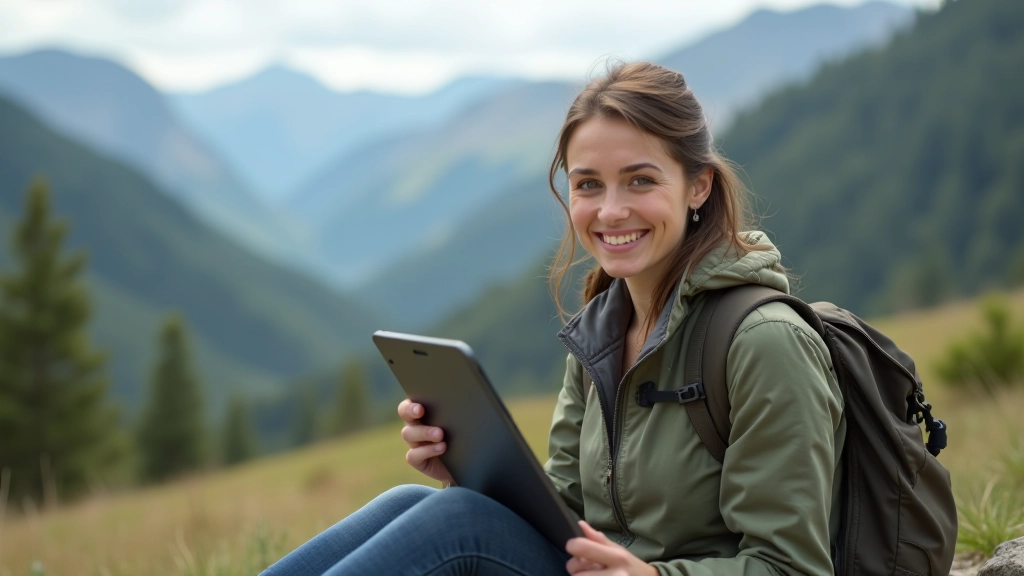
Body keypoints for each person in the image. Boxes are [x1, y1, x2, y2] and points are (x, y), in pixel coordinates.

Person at [262, 61, 846, 576]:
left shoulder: (764, 342)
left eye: (640, 180)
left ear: (698, 186)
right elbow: (564, 512)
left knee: (460, 524)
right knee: (412, 503)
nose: (610, 211)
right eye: (588, 185)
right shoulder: (602, 330)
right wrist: (471, 470)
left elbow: (789, 566)